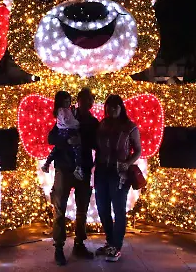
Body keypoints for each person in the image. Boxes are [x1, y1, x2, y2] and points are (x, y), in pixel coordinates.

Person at [47, 88, 98, 265]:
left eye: (90, 100)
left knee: (82, 208)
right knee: (59, 208)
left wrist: (82, 142)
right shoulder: (67, 114)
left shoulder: (93, 122)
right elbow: (51, 137)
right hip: (63, 168)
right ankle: (59, 247)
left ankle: (79, 243)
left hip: (82, 169)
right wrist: (67, 141)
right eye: (84, 99)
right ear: (78, 101)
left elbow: (97, 144)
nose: (88, 103)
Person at [94, 94, 141, 262]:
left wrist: (127, 163)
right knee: (102, 207)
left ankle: (116, 246)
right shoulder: (102, 125)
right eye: (109, 106)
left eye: (115, 106)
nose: (112, 109)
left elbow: (138, 150)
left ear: (121, 108)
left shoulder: (129, 127)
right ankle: (110, 242)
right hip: (101, 172)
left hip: (119, 175)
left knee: (119, 209)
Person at [42, 92, 84, 180]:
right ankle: (78, 167)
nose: (68, 104)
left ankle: (47, 163)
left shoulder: (70, 111)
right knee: (76, 149)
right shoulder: (62, 112)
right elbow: (51, 139)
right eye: (66, 102)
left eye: (69, 101)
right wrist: (66, 140)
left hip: (65, 163)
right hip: (63, 165)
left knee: (57, 149)